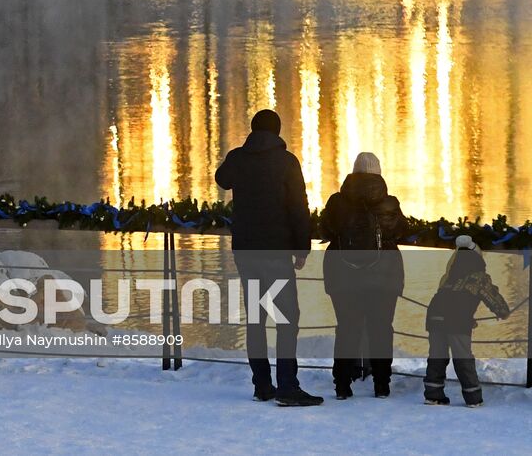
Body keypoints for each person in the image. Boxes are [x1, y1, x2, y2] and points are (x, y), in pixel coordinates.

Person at [215, 109, 322, 406]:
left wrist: (238, 156)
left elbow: (221, 179)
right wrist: (302, 249)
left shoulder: (239, 158)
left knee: (256, 319)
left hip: (246, 251)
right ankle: (287, 384)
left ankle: (262, 384)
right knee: (287, 319)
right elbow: (299, 207)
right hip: (276, 251)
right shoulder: (287, 162)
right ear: (277, 131)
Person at [321, 151, 407, 399]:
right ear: (378, 172)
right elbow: (402, 230)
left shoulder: (337, 203)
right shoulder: (389, 204)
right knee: (381, 328)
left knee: (347, 328)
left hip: (343, 277)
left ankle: (342, 385)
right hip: (383, 277)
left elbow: (325, 228)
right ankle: (382, 384)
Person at [423, 235, 511, 406]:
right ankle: (473, 398)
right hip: (456, 321)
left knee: (437, 355)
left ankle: (433, 394)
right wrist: (503, 312)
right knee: (463, 358)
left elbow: (449, 298)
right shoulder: (479, 277)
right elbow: (493, 299)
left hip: (435, 316)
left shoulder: (449, 275)